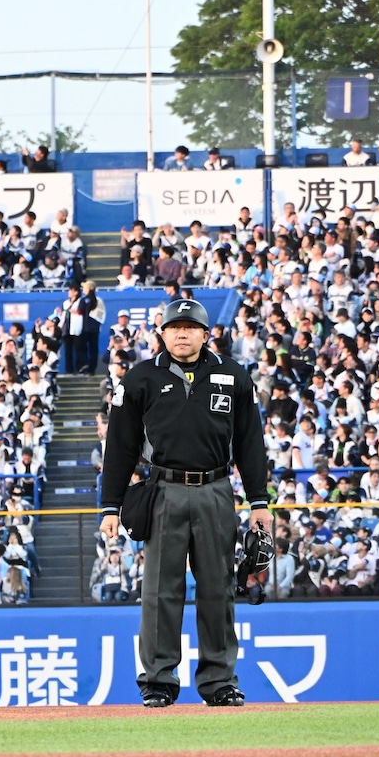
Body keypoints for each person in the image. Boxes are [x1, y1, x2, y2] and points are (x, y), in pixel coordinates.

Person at [99, 298, 272, 708]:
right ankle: (158, 680)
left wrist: (259, 501)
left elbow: (251, 443)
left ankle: (219, 681)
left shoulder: (233, 375)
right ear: (161, 333)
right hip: (163, 489)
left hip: (216, 489)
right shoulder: (140, 378)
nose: (181, 332)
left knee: (218, 588)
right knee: (160, 590)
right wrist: (110, 505)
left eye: (191, 327)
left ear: (206, 333)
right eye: (174, 326)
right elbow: (120, 446)